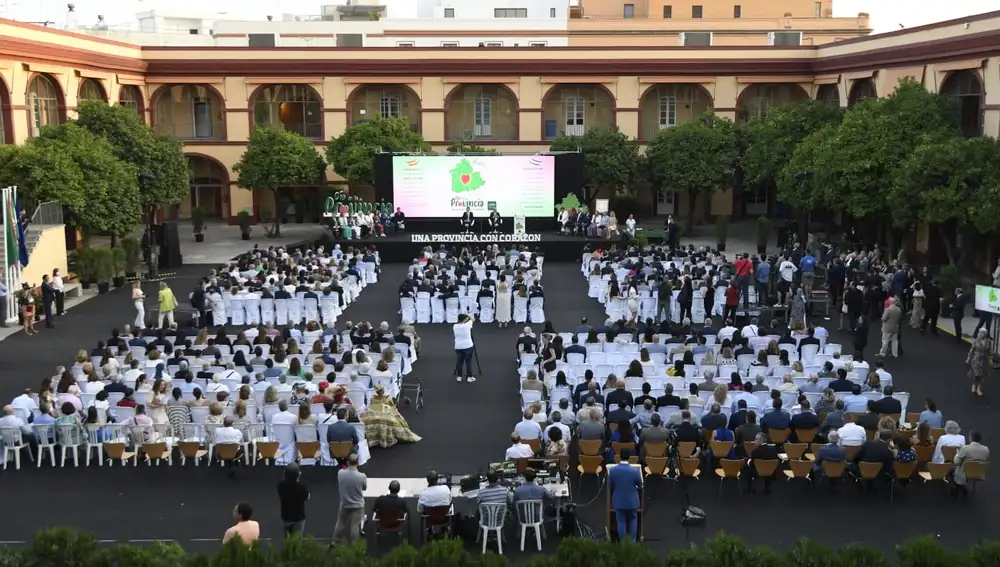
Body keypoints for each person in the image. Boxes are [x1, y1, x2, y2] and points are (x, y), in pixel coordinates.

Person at [607, 447, 642, 542]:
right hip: (632, 502)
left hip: (619, 502)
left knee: (621, 522)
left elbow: (609, 484)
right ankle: (633, 542)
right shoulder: (635, 471)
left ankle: (623, 543)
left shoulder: (613, 471)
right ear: (629, 457)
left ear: (619, 456)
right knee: (633, 520)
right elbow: (640, 485)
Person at [333, 454, 367, 545]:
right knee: (355, 526)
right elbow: (364, 488)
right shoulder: (362, 476)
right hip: (357, 505)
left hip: (344, 503)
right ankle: (354, 545)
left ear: (348, 462)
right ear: (358, 463)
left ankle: (335, 542)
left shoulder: (340, 473)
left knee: (340, 523)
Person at [277, 463, 310, 536]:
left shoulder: (281, 485)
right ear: (297, 475)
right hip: (299, 517)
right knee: (297, 539)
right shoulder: (301, 487)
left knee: (287, 538)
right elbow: (307, 497)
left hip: (286, 516)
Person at [967, 329, 990, 397]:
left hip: (984, 360)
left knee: (982, 375)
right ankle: (974, 385)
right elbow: (972, 350)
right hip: (976, 360)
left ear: (985, 334)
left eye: (982, 332)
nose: (980, 333)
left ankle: (979, 388)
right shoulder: (975, 341)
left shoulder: (988, 341)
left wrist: (990, 358)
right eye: (979, 332)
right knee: (976, 374)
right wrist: (968, 358)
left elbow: (989, 350)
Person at [453, 313, 475, 383]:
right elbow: (472, 319)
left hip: (458, 346)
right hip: (468, 346)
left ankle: (459, 377)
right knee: (468, 362)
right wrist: (467, 316)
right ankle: (469, 377)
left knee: (459, 362)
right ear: (465, 319)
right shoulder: (467, 325)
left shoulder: (455, 326)